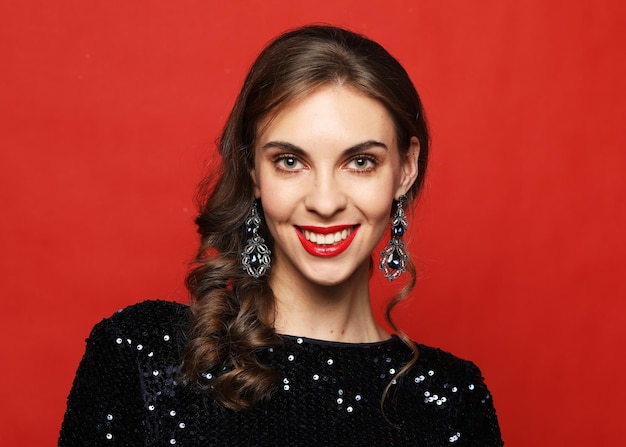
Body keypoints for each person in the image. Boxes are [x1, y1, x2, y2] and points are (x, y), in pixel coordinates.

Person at [59, 25, 503, 446]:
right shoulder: (144, 355)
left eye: (361, 161)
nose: (325, 202)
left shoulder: (453, 400)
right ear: (253, 169)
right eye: (290, 161)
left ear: (405, 169)